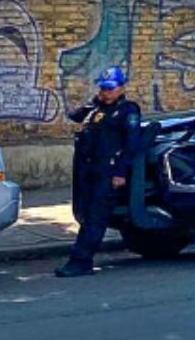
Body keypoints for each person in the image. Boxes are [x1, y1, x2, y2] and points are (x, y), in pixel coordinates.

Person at [56, 66, 143, 278]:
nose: (106, 92)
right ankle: (80, 259)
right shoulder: (98, 109)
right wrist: (94, 102)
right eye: (103, 88)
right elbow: (75, 116)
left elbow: (131, 145)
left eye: (110, 89)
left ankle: (81, 261)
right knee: (86, 215)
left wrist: (121, 172)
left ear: (121, 88)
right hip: (90, 170)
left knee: (96, 217)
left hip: (109, 171)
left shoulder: (128, 111)